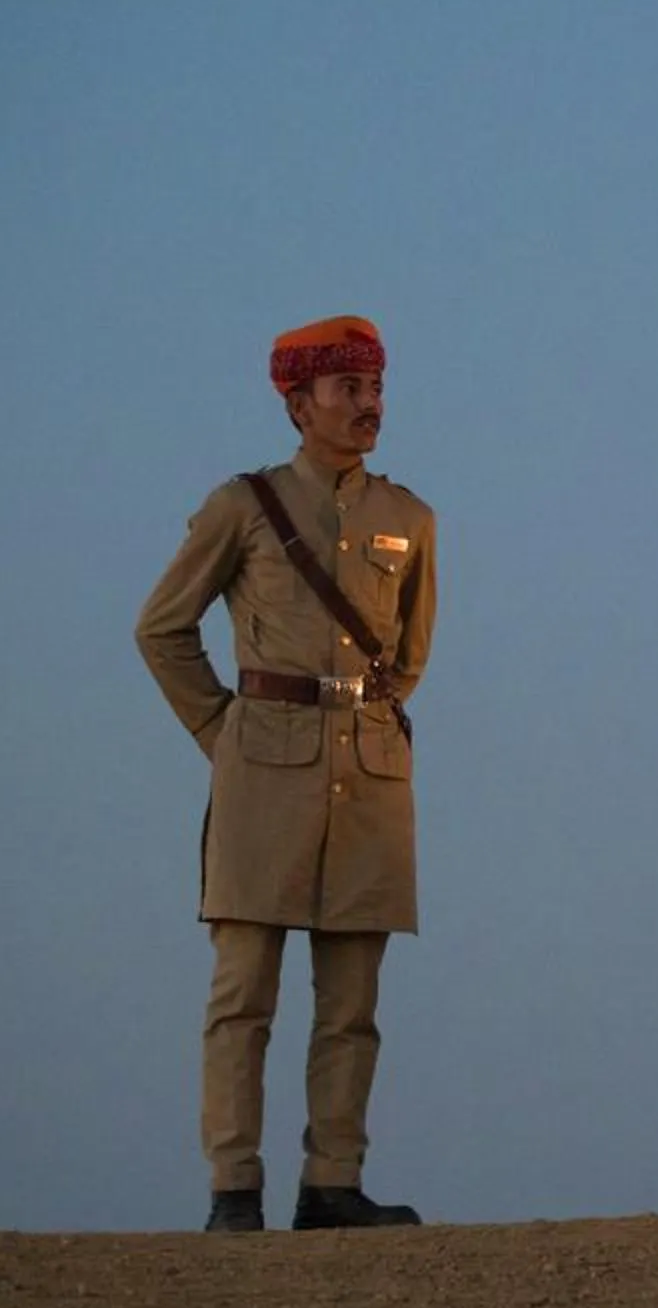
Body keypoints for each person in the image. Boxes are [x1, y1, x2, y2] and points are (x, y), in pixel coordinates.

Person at [136, 315, 438, 1232]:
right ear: (299, 404)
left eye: (377, 388)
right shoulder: (244, 507)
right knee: (244, 997)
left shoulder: (409, 518)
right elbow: (162, 629)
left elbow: (411, 654)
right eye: (349, 390)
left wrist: (359, 721)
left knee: (354, 1002)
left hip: (372, 776)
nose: (369, 406)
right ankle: (235, 1190)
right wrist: (224, 731)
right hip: (263, 770)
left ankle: (332, 1186)